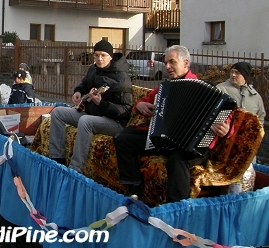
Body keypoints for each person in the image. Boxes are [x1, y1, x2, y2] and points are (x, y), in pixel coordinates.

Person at [113, 45, 231, 202]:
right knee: (122, 139)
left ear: (186, 63)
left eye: (172, 62)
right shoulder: (165, 87)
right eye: (166, 62)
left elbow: (226, 116)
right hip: (164, 140)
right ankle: (134, 189)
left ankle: (175, 208)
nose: (167, 66)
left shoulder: (203, 88)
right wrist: (140, 105)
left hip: (194, 145)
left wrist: (225, 129)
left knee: (177, 159)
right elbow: (143, 101)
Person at [48, 40, 132, 173]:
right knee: (57, 112)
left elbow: (126, 110)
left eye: (103, 55)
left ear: (110, 56)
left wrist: (101, 103)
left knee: (85, 121)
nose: (99, 59)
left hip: (114, 122)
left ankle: (75, 169)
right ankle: (57, 159)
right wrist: (78, 91)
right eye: (96, 55)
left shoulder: (121, 77)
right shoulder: (93, 69)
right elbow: (85, 83)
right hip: (93, 114)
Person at [217, 61, 266, 193]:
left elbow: (260, 118)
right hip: (225, 145)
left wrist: (254, 136)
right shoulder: (221, 90)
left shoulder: (255, 97)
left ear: (245, 76)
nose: (233, 75)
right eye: (232, 71)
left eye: (237, 73)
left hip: (246, 147)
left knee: (246, 180)